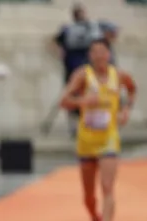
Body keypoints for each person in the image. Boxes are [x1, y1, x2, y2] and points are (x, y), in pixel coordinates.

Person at [59, 38, 136, 221]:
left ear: (109, 55)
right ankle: (95, 217)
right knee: (89, 196)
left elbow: (132, 89)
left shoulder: (118, 76)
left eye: (102, 52)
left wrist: (126, 109)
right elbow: (63, 101)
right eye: (94, 52)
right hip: (86, 140)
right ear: (90, 56)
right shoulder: (83, 76)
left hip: (108, 138)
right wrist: (82, 101)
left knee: (108, 187)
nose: (99, 56)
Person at [51, 3, 104, 134]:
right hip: (72, 69)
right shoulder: (67, 30)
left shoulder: (91, 28)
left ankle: (91, 123)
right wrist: (60, 52)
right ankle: (74, 125)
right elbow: (55, 41)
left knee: (91, 95)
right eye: (77, 13)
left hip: (89, 70)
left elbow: (100, 43)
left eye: (80, 12)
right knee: (72, 97)